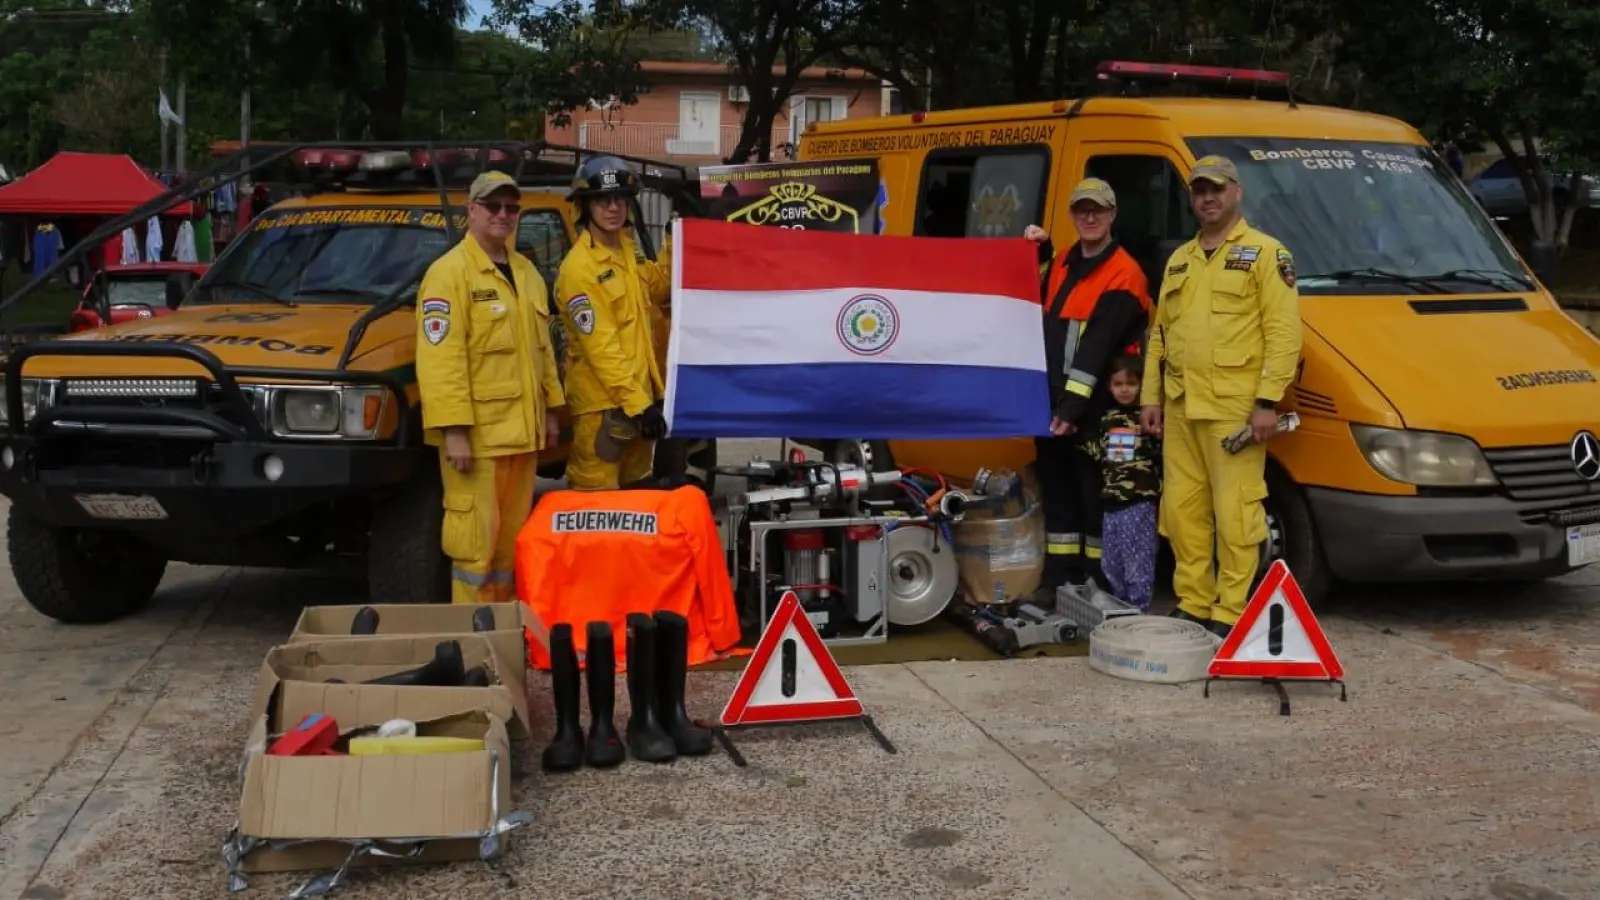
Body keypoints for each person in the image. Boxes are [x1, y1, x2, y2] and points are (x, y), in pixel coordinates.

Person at [1140, 155, 1303, 638]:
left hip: (1235, 407)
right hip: (1181, 404)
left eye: (1216, 188)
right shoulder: (1180, 259)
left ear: (1237, 192)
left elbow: (1284, 334)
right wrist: (1151, 397)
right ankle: (1194, 601)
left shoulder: (1267, 253)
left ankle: (1231, 609)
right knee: (1182, 512)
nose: (1207, 197)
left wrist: (1268, 402)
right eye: (1198, 190)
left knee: (1236, 512)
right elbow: (1159, 336)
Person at [415, 170, 566, 604]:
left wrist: (552, 411)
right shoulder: (449, 275)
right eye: (494, 206)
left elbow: (543, 353)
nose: (504, 215)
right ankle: (473, 643)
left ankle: (502, 638)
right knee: (474, 552)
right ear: (472, 212)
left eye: (511, 208)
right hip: (477, 442)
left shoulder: (527, 273)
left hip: (522, 439)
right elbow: (440, 361)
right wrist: (454, 431)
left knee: (509, 550)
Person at [1022, 177, 1152, 602]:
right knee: (1059, 497)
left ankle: (1103, 583)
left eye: (1098, 209)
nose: (1090, 216)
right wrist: (1040, 250)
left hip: (1105, 413)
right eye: (1082, 210)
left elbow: (1096, 348)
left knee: (1103, 498)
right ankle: (1059, 579)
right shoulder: (1063, 261)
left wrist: (1071, 406)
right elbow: (1034, 293)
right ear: (1073, 215)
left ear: (1113, 215)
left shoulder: (1124, 273)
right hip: (1058, 405)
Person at [554, 155, 674, 491]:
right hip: (602, 413)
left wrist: (675, 232)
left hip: (638, 405)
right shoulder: (579, 269)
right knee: (597, 509)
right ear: (585, 207)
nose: (613, 208)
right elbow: (601, 350)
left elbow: (662, 286)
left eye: (620, 199)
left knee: (635, 510)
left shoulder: (627, 252)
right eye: (603, 200)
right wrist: (640, 406)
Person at [1085, 355, 1161, 611]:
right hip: (1112, 502)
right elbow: (1103, 455)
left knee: (1137, 556)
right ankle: (1121, 603)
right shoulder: (1107, 419)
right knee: (1112, 559)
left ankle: (1139, 607)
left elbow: (1159, 452)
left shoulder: (1147, 418)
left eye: (1131, 383)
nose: (1125, 389)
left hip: (1138, 502)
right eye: (1118, 384)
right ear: (1109, 387)